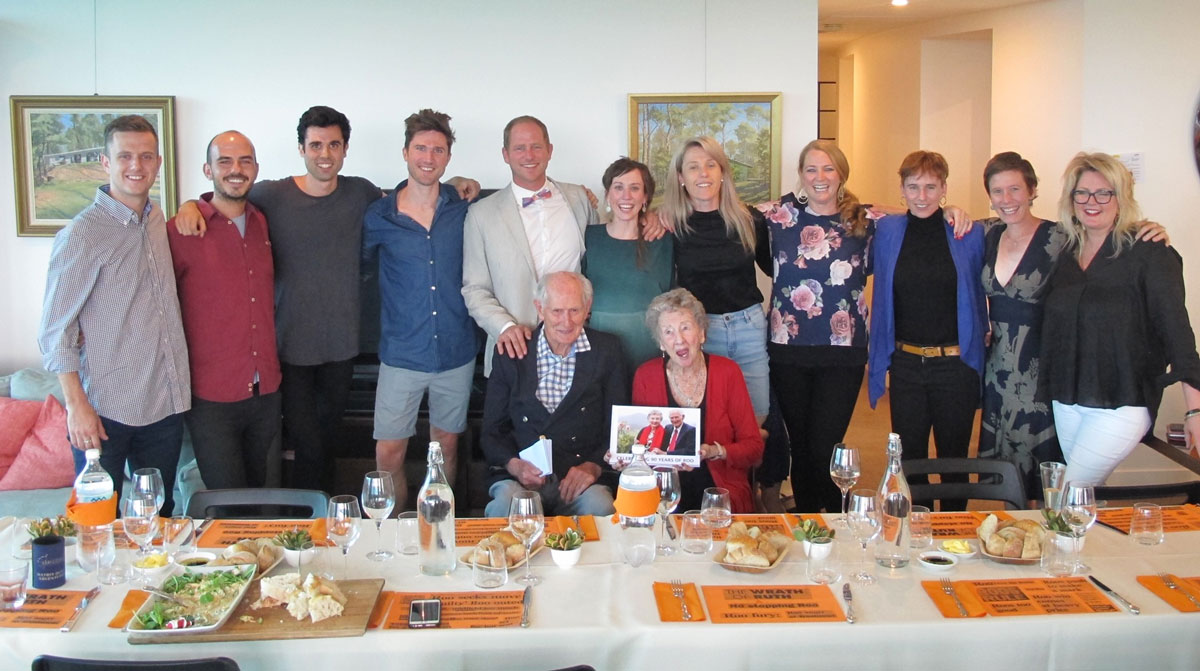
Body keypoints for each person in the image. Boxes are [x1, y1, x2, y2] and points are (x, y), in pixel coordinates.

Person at [174, 106, 479, 492]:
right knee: (308, 446)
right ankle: (314, 530)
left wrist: (461, 181)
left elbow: (416, 193)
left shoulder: (362, 194)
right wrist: (191, 204)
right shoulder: (273, 194)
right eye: (315, 144)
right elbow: (229, 194)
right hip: (291, 349)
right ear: (301, 148)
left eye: (333, 144)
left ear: (345, 149)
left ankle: (331, 526)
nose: (324, 153)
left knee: (327, 446)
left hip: (342, 348)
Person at [38, 115, 189, 516]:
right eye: (124, 156)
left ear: (158, 163)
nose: (135, 166)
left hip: (164, 404)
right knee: (96, 520)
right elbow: (55, 332)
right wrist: (76, 406)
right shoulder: (82, 234)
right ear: (106, 163)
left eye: (145, 156)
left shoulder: (157, 220)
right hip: (105, 410)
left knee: (158, 517)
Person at [1041, 152, 1200, 485]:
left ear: (1121, 197)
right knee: (1084, 499)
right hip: (1067, 398)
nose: (1091, 201)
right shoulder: (1066, 253)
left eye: (1104, 192)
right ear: (1071, 199)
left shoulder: (1150, 252)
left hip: (1123, 402)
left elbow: (1177, 334)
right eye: (1082, 193)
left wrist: (1195, 410)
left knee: (1072, 494)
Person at [362, 109, 476, 507]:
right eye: (421, 148)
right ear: (406, 152)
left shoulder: (464, 209)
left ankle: (439, 530)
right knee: (387, 453)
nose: (429, 157)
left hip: (456, 352)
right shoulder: (378, 215)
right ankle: (392, 534)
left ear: (448, 157)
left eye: (438, 150)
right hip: (401, 354)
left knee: (445, 450)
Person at [757, 140, 874, 514]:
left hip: (844, 350)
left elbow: (918, 216)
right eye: (811, 169)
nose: (819, 177)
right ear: (801, 174)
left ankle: (833, 514)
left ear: (841, 174)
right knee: (801, 444)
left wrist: (951, 210)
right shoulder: (776, 217)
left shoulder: (865, 221)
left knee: (826, 442)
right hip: (787, 346)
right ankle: (811, 518)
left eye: (828, 169)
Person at [868, 151, 986, 511]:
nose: (922, 196)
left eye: (931, 186)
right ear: (901, 189)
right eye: (913, 186)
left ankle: (953, 532)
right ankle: (915, 532)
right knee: (909, 461)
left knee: (954, 460)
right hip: (906, 364)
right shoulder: (887, 230)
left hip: (955, 363)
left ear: (944, 188)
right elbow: (853, 209)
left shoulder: (968, 232)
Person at [167, 131, 281, 489]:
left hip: (266, 392)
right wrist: (188, 204)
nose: (236, 169)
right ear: (208, 169)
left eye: (245, 161)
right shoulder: (181, 230)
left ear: (256, 169)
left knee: (267, 502)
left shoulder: (263, 221)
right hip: (211, 398)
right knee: (228, 506)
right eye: (225, 161)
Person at [481, 272, 629, 517]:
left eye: (574, 310)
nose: (566, 322)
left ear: (587, 307)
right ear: (540, 308)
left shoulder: (607, 350)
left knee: (601, 507)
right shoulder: (513, 351)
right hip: (521, 482)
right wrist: (514, 465)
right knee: (502, 507)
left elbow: (618, 430)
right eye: (557, 311)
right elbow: (491, 431)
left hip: (579, 481)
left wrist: (592, 467)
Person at [463, 116, 599, 375]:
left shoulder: (579, 199)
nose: (529, 155)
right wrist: (504, 327)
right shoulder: (480, 214)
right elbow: (474, 289)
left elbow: (596, 265)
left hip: (575, 345)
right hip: (513, 348)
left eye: (536, 146)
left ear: (549, 150)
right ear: (505, 154)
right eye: (519, 147)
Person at [659, 137, 771, 425]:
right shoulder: (671, 225)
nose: (704, 174)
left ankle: (750, 473)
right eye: (694, 167)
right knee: (709, 421)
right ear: (681, 177)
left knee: (756, 417)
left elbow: (777, 269)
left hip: (749, 329)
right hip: (700, 332)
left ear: (723, 172)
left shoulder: (749, 219)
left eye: (711, 165)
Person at [632, 289, 764, 513]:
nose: (679, 340)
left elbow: (753, 447)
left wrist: (716, 451)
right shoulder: (646, 376)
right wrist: (623, 456)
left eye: (686, 327)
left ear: (701, 333)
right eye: (669, 332)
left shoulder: (727, 372)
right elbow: (640, 447)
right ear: (661, 343)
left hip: (717, 491)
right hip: (661, 490)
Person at [582, 157, 672, 372]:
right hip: (599, 349)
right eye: (618, 187)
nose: (626, 196)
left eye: (635, 188)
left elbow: (670, 297)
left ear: (645, 197)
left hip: (648, 350)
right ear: (607, 194)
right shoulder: (589, 237)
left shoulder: (662, 240)